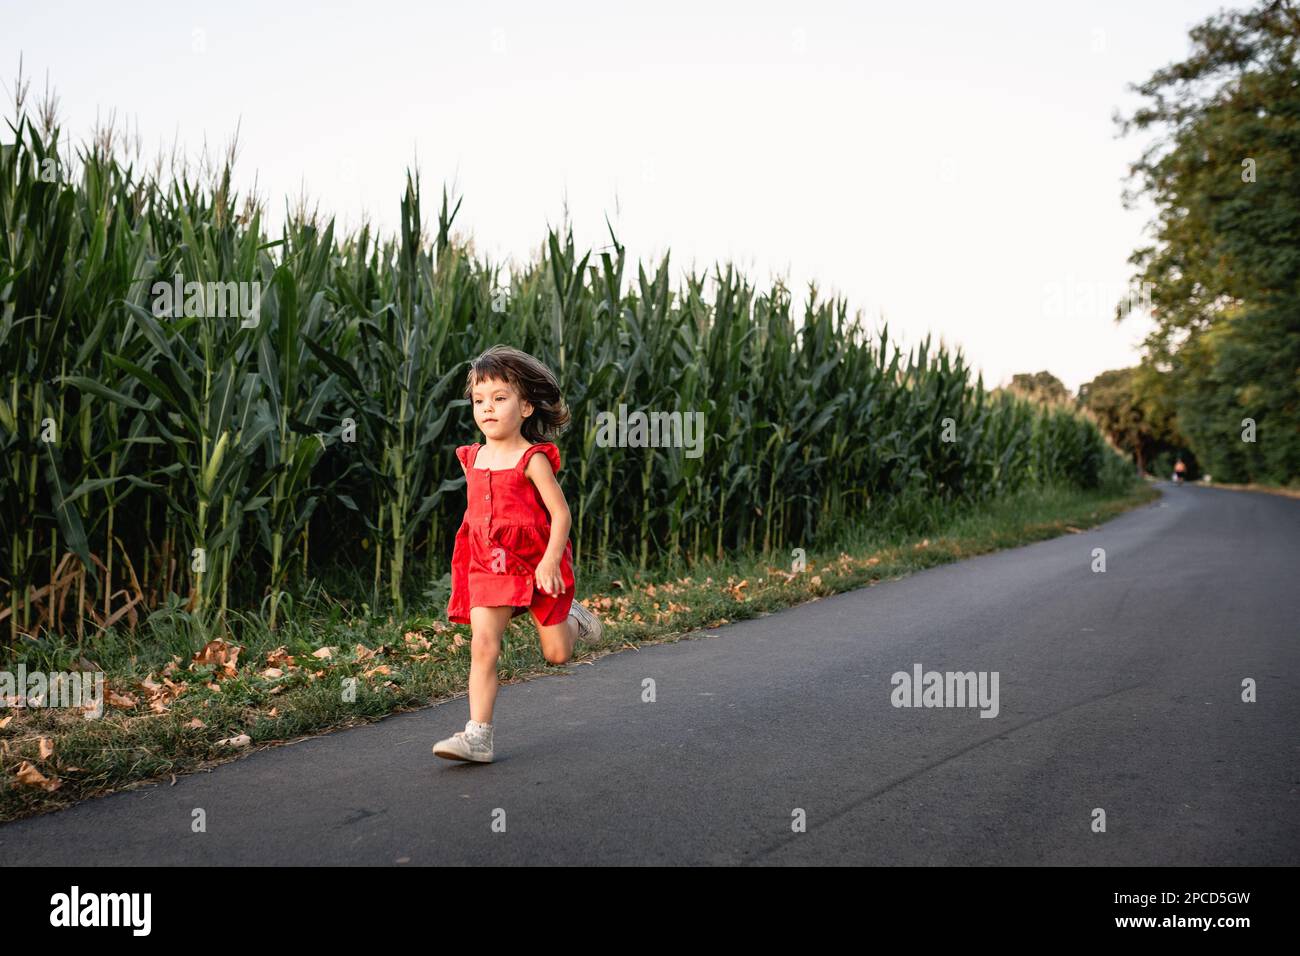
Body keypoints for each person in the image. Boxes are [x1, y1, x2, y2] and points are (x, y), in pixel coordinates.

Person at [432, 345, 603, 764]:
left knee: (556, 655)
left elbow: (560, 514)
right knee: (483, 646)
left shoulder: (532, 460)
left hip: (536, 560)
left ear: (526, 407)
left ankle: (573, 619)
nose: (487, 409)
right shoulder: (472, 458)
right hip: (487, 564)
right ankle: (479, 736)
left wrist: (549, 561)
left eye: (500, 398)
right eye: (479, 400)